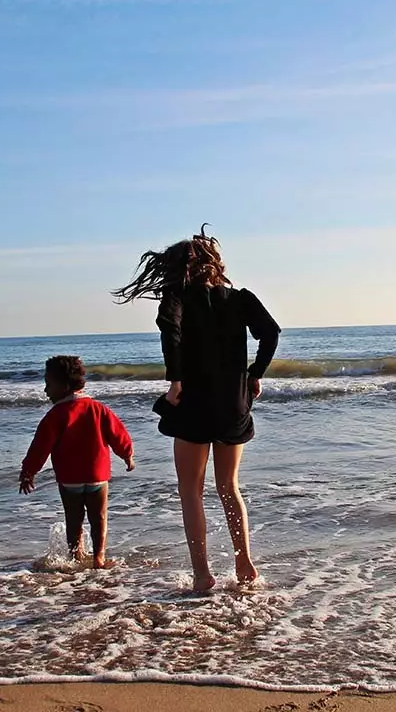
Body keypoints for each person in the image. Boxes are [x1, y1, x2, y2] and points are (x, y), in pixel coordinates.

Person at [113, 227, 280, 592]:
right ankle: (244, 561)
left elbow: (169, 329)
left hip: (194, 401)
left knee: (190, 489)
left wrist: (175, 380)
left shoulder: (178, 298)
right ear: (213, 264)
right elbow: (271, 333)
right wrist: (255, 374)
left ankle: (202, 574)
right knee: (228, 486)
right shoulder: (241, 299)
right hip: (233, 400)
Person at [19, 355, 136, 569]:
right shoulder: (99, 409)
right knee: (99, 517)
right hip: (97, 476)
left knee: (74, 520)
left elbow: (39, 448)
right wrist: (127, 455)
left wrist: (28, 472)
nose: (45, 391)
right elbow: (118, 434)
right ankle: (99, 557)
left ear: (63, 386)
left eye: (48, 384)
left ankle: (76, 556)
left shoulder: (55, 415)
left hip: (69, 478)